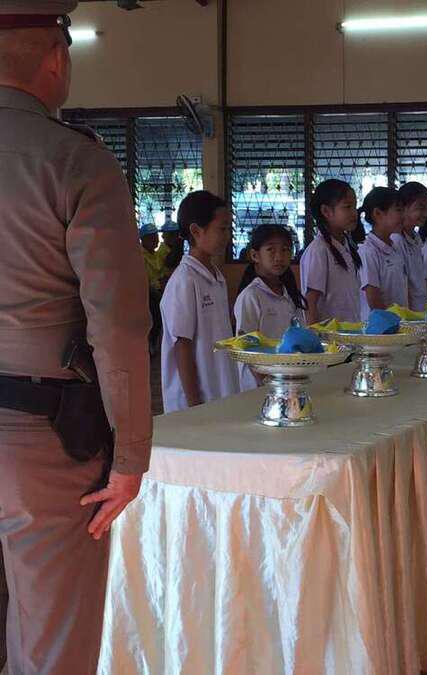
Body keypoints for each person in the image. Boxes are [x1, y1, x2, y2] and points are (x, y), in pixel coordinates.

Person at [0, 3, 152, 673]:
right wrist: (130, 455)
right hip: (42, 444)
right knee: (51, 647)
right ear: (57, 59)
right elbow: (116, 324)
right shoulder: (74, 161)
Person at [159, 191, 240, 414]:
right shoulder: (185, 280)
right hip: (194, 400)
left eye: (228, 229)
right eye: (221, 229)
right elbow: (182, 346)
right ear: (196, 231)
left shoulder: (216, 277)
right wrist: (194, 405)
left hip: (219, 388)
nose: (227, 236)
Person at [234, 224, 305, 391]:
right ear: (255, 255)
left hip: (287, 378)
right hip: (259, 384)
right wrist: (265, 382)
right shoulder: (251, 295)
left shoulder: (289, 294)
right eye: (271, 250)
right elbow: (246, 344)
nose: (279, 257)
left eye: (285, 250)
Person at [301, 179, 362, 325]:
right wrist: (315, 335)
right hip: (329, 335)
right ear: (326, 211)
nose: (354, 213)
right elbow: (310, 302)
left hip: (350, 331)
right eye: (347, 207)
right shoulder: (319, 250)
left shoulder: (347, 246)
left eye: (355, 206)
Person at [358, 187, 407, 320]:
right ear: (378, 214)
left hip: (398, 323)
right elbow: (373, 299)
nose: (403, 216)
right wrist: (389, 323)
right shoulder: (367, 251)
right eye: (398, 210)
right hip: (381, 325)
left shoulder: (395, 246)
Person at [392, 182, 427, 312]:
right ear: (403, 208)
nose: (426, 214)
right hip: (410, 313)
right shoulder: (396, 240)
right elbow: (403, 285)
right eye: (420, 208)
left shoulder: (416, 237)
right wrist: (409, 315)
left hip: (421, 310)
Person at [140, 224, 164, 352]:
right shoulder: (139, 256)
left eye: (156, 237)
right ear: (143, 239)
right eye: (152, 238)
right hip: (146, 293)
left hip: (158, 291)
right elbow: (143, 281)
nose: (156, 241)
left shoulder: (156, 255)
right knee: (154, 318)